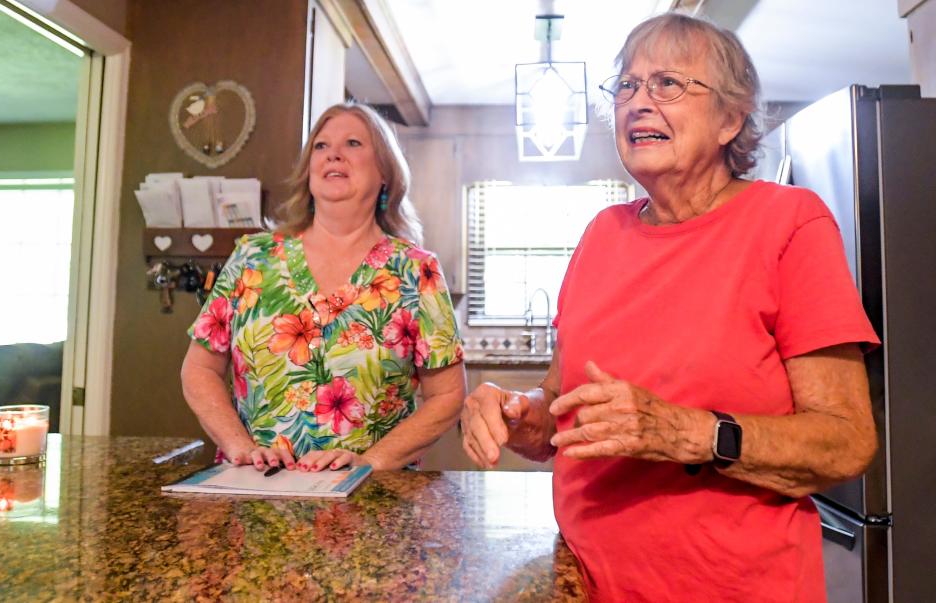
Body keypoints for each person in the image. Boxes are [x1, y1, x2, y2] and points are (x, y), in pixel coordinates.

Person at [459, 13, 878, 602]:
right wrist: (514, 411)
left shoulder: (789, 222)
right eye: (627, 86)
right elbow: (561, 410)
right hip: (585, 580)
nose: (638, 102)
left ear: (731, 118)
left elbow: (847, 441)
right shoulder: (602, 234)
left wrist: (689, 433)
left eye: (669, 84)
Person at [182, 103, 465, 473]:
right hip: (255, 497)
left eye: (352, 143)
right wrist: (239, 445)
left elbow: (446, 395)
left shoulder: (416, 270)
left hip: (371, 506)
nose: (333, 153)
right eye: (320, 145)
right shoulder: (252, 257)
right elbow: (198, 369)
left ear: (385, 171)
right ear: (309, 170)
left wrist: (370, 462)